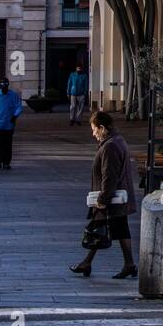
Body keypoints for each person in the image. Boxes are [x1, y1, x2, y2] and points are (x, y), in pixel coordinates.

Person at [69, 110, 137, 279]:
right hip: (117, 196)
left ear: (102, 128)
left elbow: (109, 176)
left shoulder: (110, 146)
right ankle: (127, 264)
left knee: (98, 228)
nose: (93, 134)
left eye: (94, 129)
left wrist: (103, 199)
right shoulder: (117, 140)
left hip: (111, 197)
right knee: (117, 229)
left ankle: (88, 263)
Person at [0, 77, 22, 170]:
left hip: (9, 124)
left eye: (5, 86)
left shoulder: (13, 95)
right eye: (2, 86)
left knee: (8, 144)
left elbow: (19, 107)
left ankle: (6, 162)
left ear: (7, 85)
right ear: (0, 86)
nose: (4, 88)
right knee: (0, 143)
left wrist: (15, 116)